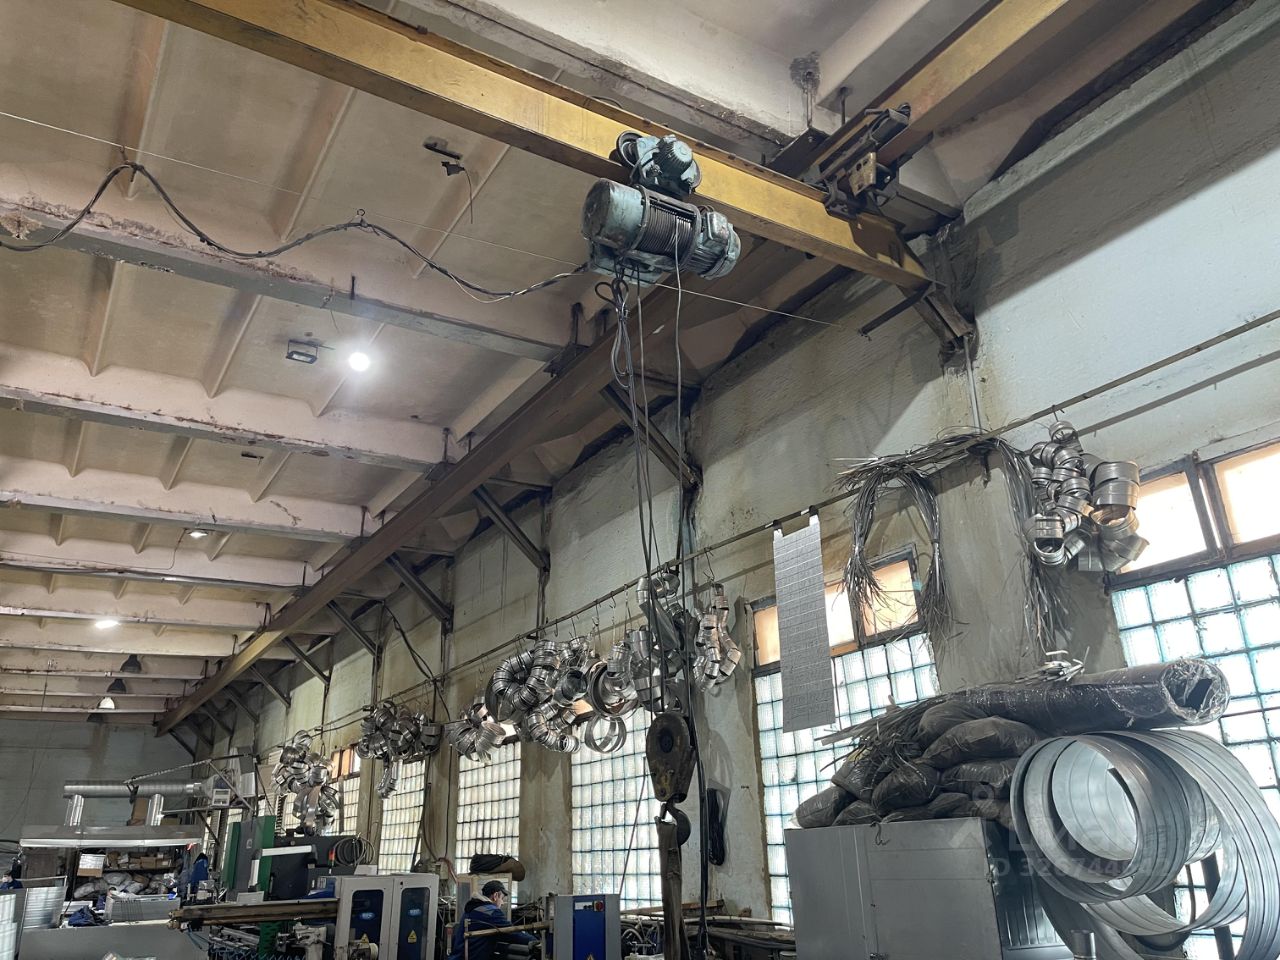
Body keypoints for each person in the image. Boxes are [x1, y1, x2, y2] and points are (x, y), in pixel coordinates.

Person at [447, 880, 539, 960]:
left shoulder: (474, 907)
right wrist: (536, 941)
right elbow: (511, 932)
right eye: (502, 898)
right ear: (495, 896)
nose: (502, 903)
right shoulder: (490, 911)